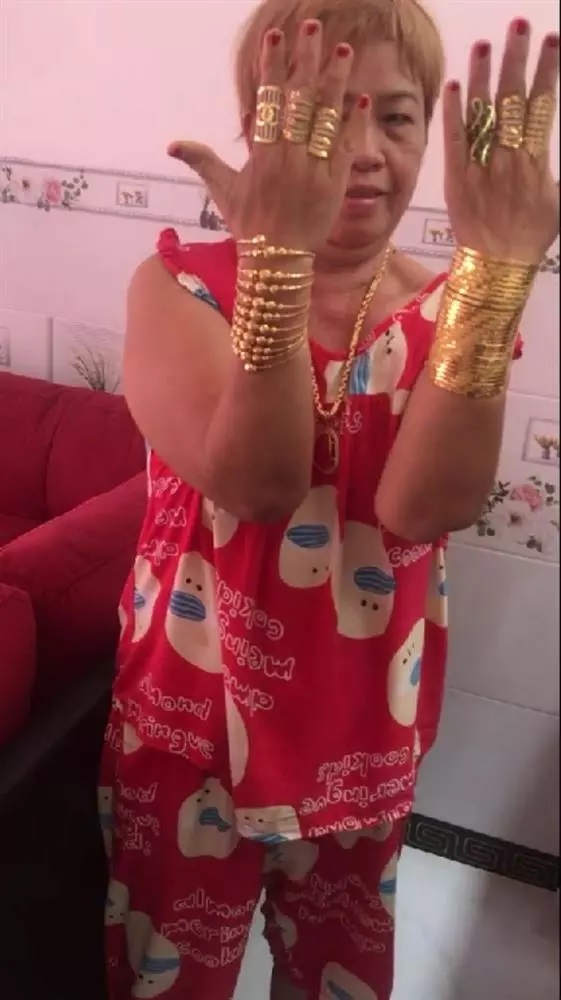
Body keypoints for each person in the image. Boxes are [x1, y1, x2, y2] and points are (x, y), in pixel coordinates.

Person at [99, 1, 559, 997]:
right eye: (324, 116)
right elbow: (257, 485)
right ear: (261, 131)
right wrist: (276, 263)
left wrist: (497, 275)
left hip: (362, 725)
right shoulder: (178, 288)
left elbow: (423, 510)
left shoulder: (450, 311)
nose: (363, 150)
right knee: (165, 975)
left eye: (394, 117)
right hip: (192, 721)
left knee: (339, 976)